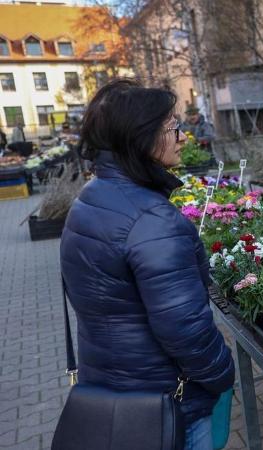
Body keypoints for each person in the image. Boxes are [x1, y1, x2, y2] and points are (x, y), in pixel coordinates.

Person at [59, 79, 235, 449]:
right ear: (142, 138)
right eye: (172, 127)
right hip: (167, 402)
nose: (181, 137)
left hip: (111, 388)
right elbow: (186, 331)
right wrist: (223, 373)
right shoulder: (153, 220)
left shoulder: (89, 200)